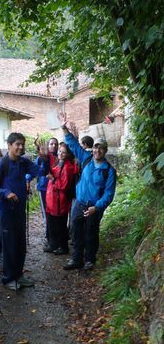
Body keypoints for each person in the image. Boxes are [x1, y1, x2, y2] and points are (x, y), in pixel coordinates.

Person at [59, 112, 116, 271]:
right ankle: (76, 259)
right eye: (96, 147)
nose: (98, 150)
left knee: (91, 234)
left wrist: (96, 208)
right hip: (79, 203)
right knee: (76, 233)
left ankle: (90, 259)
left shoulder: (109, 171)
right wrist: (64, 127)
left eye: (101, 148)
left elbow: (109, 194)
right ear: (93, 149)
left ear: (105, 151)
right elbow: (72, 144)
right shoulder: (85, 158)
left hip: (93, 208)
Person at [0, 132, 39, 291]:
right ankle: (8, 278)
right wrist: (5, 192)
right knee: (9, 245)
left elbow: (39, 171)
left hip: (19, 210)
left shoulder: (23, 162)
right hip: (5, 212)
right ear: (9, 145)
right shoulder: (1, 164)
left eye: (22, 144)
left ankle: (18, 274)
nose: (21, 147)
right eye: (17, 144)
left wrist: (44, 156)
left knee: (20, 244)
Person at [45, 143, 79, 255]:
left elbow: (64, 186)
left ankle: (63, 247)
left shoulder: (68, 167)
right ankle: (53, 245)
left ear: (68, 154)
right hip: (53, 199)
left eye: (63, 152)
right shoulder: (59, 164)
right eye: (59, 151)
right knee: (52, 223)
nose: (60, 153)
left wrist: (53, 179)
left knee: (60, 225)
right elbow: (52, 170)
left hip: (60, 201)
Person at [34, 137, 58, 247]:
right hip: (43, 188)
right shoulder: (41, 158)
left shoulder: (59, 157)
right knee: (47, 214)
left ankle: (53, 236)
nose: (53, 146)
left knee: (55, 213)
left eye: (55, 144)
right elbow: (34, 169)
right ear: (48, 146)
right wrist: (27, 181)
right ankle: (49, 237)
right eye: (51, 144)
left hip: (55, 189)